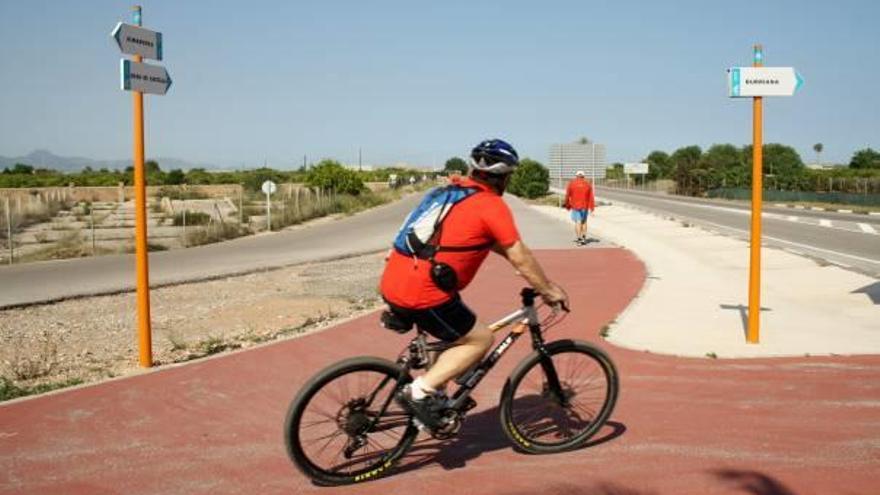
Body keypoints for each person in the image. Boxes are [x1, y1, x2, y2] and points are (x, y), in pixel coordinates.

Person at [379, 138, 569, 429]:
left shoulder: (447, 193)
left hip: (394, 280)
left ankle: (434, 402)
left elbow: (478, 241)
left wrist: (534, 274)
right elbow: (518, 253)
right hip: (424, 292)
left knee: (453, 334)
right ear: (505, 176)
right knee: (480, 339)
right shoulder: (491, 205)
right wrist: (548, 289)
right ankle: (419, 392)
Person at [564, 170, 595, 245]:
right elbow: (591, 197)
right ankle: (584, 238)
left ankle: (579, 239)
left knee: (578, 222)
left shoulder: (571, 184)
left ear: (576, 176)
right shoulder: (588, 184)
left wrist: (567, 205)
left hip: (575, 206)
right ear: (583, 176)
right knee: (584, 222)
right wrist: (592, 208)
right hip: (585, 206)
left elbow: (567, 195)